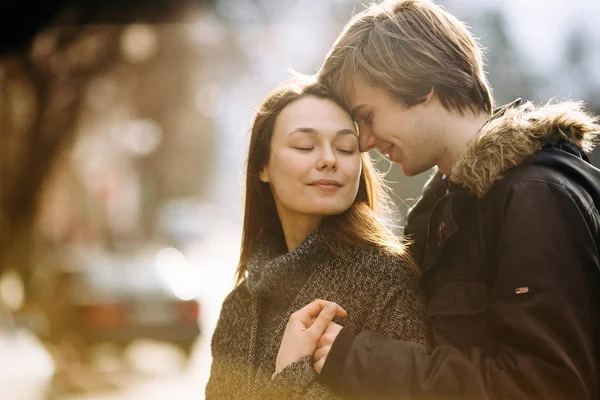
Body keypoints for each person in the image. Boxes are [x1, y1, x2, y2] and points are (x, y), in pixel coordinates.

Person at [275, 0, 600, 399]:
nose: (365, 142)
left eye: (368, 115)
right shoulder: (438, 214)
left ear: (421, 87)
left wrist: (358, 359)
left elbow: (545, 386)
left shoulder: (535, 199)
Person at [204, 78, 428, 400]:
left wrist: (291, 377)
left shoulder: (386, 281)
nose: (329, 159)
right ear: (263, 166)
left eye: (345, 148)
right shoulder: (239, 306)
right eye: (304, 146)